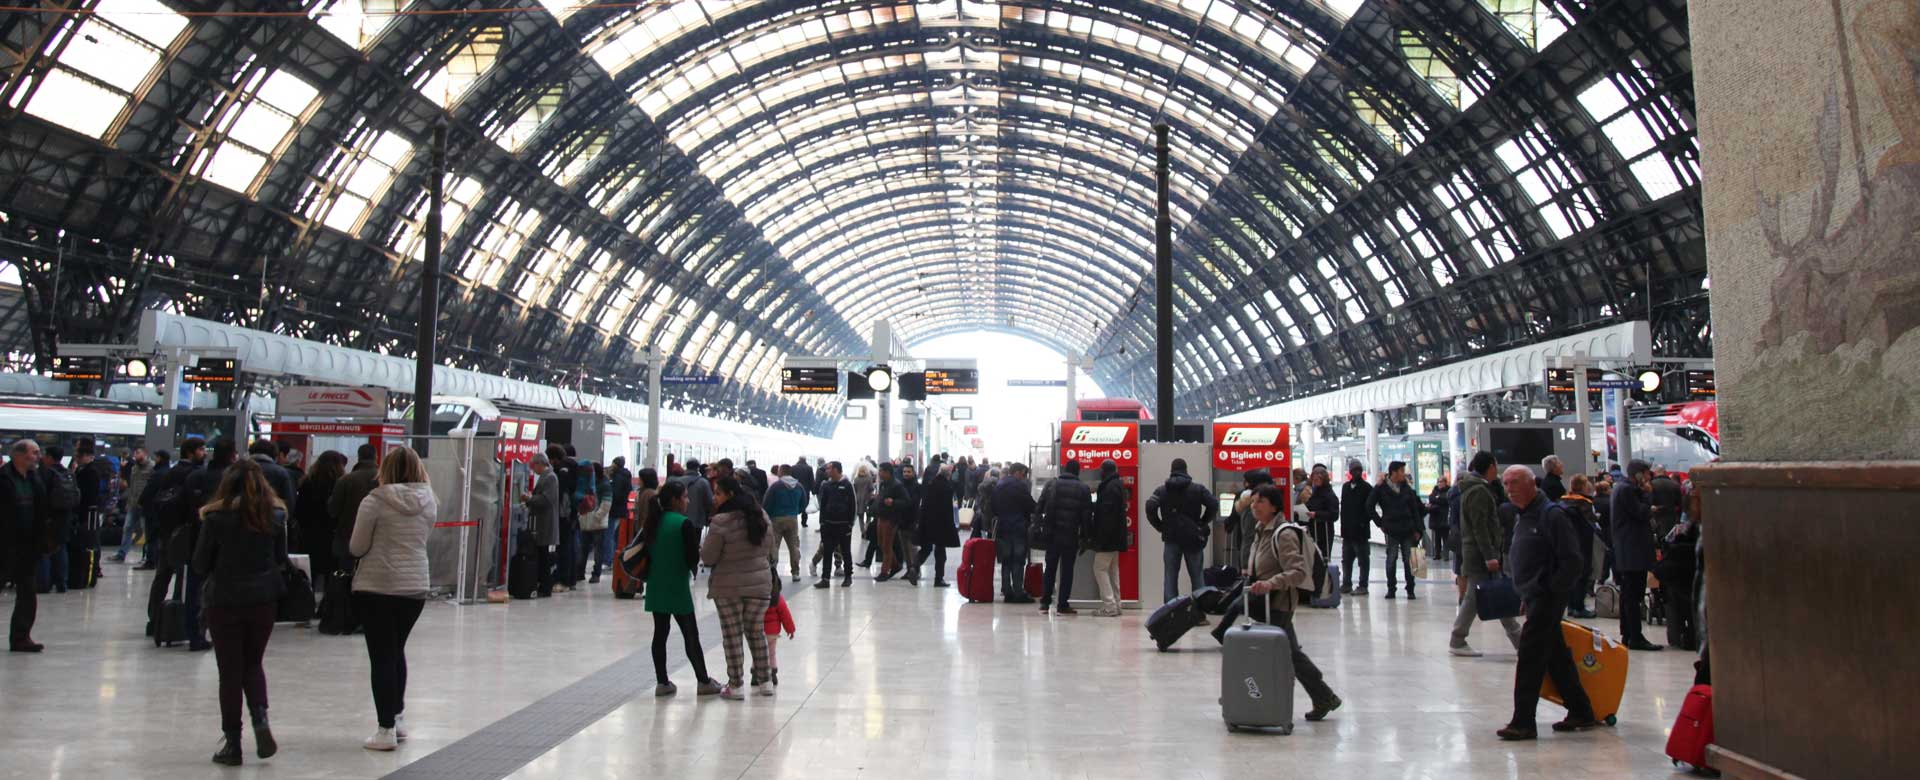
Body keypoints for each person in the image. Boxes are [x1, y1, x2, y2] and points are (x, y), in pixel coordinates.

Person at [192, 459, 291, 765]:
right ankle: (260, 718)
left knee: (229, 671)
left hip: (225, 600)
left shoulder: (215, 518)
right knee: (253, 663)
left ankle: (232, 742)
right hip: (263, 599)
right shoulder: (275, 516)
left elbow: (199, 564)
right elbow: (281, 558)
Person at [1496, 465, 1599, 741]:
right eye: (1506, 484)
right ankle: (1581, 710)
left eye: (1515, 483)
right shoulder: (1524, 515)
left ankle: (1523, 721)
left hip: (1547, 598)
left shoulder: (1551, 515)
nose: (1509, 489)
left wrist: (1550, 592)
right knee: (1555, 656)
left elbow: (1573, 560)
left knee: (1530, 658)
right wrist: (1526, 594)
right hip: (1534, 596)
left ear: (1532, 484)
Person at [1227, 484, 1343, 721]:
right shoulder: (1262, 529)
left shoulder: (1284, 533)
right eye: (1253, 502)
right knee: (1291, 653)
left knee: (1291, 654)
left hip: (1278, 604)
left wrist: (1271, 583)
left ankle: (1324, 695)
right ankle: (1323, 696)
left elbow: (1297, 572)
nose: (1254, 505)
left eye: (1259, 501)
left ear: (1273, 506)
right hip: (1266, 603)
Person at [350, 445, 436, 751]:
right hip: (414, 587)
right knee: (396, 650)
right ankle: (397, 718)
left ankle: (384, 728)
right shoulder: (429, 500)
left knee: (381, 656)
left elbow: (357, 547)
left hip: (378, 586)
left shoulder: (375, 500)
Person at [701, 474, 775, 699]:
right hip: (760, 585)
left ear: (730, 494)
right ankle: (766, 683)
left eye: (718, 493)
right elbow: (771, 548)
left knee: (732, 636)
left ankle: (736, 686)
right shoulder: (761, 515)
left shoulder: (721, 522)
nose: (714, 498)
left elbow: (709, 557)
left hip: (728, 587)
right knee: (757, 633)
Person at [643, 480, 718, 697]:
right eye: (685, 497)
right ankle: (703, 681)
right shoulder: (683, 523)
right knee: (690, 634)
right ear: (675, 500)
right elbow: (692, 559)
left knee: (660, 634)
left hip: (656, 585)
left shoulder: (653, 521)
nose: (688, 500)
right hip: (677, 585)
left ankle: (662, 682)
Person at [1449, 452, 1521, 657]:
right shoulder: (1479, 491)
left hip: (1477, 552)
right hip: (1480, 554)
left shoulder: (1473, 488)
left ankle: (1458, 638)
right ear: (1489, 467)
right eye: (1495, 466)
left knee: (1476, 597)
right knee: (1493, 595)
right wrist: (1489, 555)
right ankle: (1519, 639)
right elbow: (1480, 526)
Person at [143, 438, 205, 639]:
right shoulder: (193, 475)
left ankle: (154, 620)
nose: (204, 453)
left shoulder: (169, 472)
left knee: (162, 576)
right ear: (191, 452)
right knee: (183, 577)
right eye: (201, 449)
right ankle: (179, 621)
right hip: (185, 534)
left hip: (167, 532)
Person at [1145, 458, 1216, 603]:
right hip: (1193, 539)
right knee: (1197, 576)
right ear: (1186, 470)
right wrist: (1202, 522)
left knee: (1170, 577)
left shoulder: (1161, 490)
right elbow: (1213, 504)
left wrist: (1160, 526)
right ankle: (1199, 614)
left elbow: (1150, 507)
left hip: (1171, 538)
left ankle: (1170, 613)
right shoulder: (1198, 489)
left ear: (1172, 470)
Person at [1609, 460, 1663, 651]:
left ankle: (1628, 634)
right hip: (1633, 550)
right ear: (1639, 474)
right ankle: (1635, 636)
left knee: (1628, 595)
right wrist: (1648, 496)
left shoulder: (1620, 488)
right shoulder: (1628, 490)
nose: (1649, 478)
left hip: (1627, 549)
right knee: (1633, 595)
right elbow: (1641, 512)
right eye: (1647, 474)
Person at [3, 439, 48, 652]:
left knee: (28, 594)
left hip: (28, 547)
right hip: (5, 545)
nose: (38, 456)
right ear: (19, 455)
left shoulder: (34, 478)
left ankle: (21, 638)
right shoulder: (4, 479)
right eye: (34, 452)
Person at [1035, 460, 1091, 614]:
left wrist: (1038, 527)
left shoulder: (1051, 485)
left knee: (1050, 568)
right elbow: (1086, 516)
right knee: (1067, 571)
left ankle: (1045, 603)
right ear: (1078, 471)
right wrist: (1086, 537)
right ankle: (1062, 605)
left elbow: (1039, 507)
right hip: (1070, 536)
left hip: (1051, 535)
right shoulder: (1083, 488)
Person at [1369, 460, 1426, 600]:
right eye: (1401, 471)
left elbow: (1415, 510)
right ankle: (1391, 588)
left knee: (1409, 559)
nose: (1403, 474)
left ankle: (1410, 589)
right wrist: (1380, 523)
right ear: (1393, 472)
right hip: (1391, 529)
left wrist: (1419, 529)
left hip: (1408, 529)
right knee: (1391, 559)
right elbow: (1369, 505)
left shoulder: (1407, 489)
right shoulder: (1381, 488)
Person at [295, 452, 347, 588]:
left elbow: (299, 512)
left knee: (310, 575)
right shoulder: (338, 484)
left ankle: (308, 602)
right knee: (331, 577)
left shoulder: (306, 483)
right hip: (331, 536)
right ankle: (328, 606)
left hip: (309, 536)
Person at [1085, 460, 1129, 617]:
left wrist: (1100, 539)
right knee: (1112, 570)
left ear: (1104, 471)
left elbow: (1106, 516)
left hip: (1108, 538)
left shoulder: (1109, 487)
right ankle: (1117, 604)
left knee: (1100, 569)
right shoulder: (1117, 485)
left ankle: (1110, 606)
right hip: (1116, 537)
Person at [990, 463, 1036, 603]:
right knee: (1018, 560)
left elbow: (993, 507)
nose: (1024, 477)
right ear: (1017, 472)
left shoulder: (999, 484)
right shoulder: (1020, 486)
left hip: (1003, 527)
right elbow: (1030, 505)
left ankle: (1007, 590)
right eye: (1023, 474)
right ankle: (1018, 592)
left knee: (1006, 560)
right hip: (1018, 527)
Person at [328, 445, 380, 566]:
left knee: (346, 578)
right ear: (375, 457)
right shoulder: (385, 479)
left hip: (347, 540)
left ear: (359, 457)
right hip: (379, 541)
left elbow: (333, 510)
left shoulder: (345, 480)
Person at [1558, 475, 1601, 619]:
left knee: (1571, 575)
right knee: (1583, 575)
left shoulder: (1563, 500)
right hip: (1584, 542)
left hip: (1567, 541)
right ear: (1583, 486)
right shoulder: (1585, 503)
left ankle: (1571, 607)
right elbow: (1591, 523)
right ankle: (1579, 607)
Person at [913, 462, 960, 587]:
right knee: (940, 553)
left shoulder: (930, 485)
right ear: (948, 474)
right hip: (941, 524)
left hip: (927, 522)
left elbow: (924, 504)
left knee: (926, 548)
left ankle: (914, 566)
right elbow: (948, 510)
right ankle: (938, 579)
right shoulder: (947, 488)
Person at [523, 453, 560, 598]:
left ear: (540, 464)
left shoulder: (550, 477)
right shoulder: (548, 476)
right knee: (542, 555)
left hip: (546, 523)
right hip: (542, 522)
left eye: (534, 467)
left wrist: (530, 498)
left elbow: (545, 500)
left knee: (544, 557)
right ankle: (543, 585)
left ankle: (545, 587)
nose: (534, 470)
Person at [814, 461, 856, 588]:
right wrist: (822, 523)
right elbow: (823, 505)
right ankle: (825, 579)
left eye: (829, 469)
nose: (827, 471)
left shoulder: (847, 485)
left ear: (836, 470)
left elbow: (853, 505)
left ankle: (848, 576)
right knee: (827, 552)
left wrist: (850, 525)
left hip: (843, 525)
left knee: (845, 551)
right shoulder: (826, 485)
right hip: (828, 525)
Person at [762, 465, 806, 582]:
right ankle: (795, 573)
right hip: (792, 519)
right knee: (794, 546)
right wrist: (796, 511)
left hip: (776, 519)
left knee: (774, 545)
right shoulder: (799, 486)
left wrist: (769, 515)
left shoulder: (776, 486)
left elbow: (767, 503)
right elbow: (804, 502)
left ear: (781, 472)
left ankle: (773, 570)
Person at [112, 447, 154, 563]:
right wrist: (129, 502)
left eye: (138, 452)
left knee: (147, 530)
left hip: (145, 505)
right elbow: (132, 486)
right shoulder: (134, 468)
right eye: (135, 453)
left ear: (145, 453)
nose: (135, 455)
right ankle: (122, 553)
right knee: (127, 527)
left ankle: (147, 556)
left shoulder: (152, 467)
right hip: (133, 504)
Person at [1338, 461, 1375, 594]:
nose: (1356, 473)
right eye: (1354, 470)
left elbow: (1370, 509)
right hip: (1347, 531)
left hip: (1361, 532)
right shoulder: (1345, 487)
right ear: (1350, 472)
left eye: (1359, 470)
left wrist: (1363, 522)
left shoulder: (1367, 488)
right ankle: (1346, 583)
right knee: (1346, 560)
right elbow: (1344, 509)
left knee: (1363, 559)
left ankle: (1363, 585)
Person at [871, 463, 910, 582]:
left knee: (887, 545)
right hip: (881, 517)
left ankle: (884, 571)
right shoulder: (884, 484)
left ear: (888, 472)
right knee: (881, 544)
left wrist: (893, 502)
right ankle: (896, 566)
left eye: (881, 471)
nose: (879, 473)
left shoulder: (897, 485)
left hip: (891, 519)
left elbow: (906, 501)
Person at [579, 461, 613, 585]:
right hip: (586, 521)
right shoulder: (588, 483)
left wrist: (597, 516)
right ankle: (580, 572)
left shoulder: (604, 485)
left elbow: (606, 504)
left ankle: (596, 574)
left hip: (597, 523)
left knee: (598, 550)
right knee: (583, 549)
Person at [247, 440, 298, 507]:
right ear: (274, 454)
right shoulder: (281, 472)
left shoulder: (239, 469)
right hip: (271, 514)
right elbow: (289, 501)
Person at [763, 584, 796, 686]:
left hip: (759, 632)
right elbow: (785, 615)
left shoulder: (757, 597)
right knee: (771, 654)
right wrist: (790, 630)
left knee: (758, 654)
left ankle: (755, 676)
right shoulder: (777, 598)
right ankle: (773, 675)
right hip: (772, 633)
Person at [608, 457, 633, 572]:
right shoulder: (626, 475)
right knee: (617, 536)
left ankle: (610, 560)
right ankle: (615, 560)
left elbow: (615, 494)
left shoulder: (618, 477)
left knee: (611, 536)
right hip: (622, 509)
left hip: (615, 509)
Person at [1425, 470, 1453, 562]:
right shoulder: (1435, 490)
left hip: (1444, 518)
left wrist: (1437, 500)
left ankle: (1446, 555)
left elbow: (1445, 500)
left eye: (1441, 482)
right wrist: (1437, 500)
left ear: (1445, 482)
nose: (1439, 484)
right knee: (1437, 538)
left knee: (1445, 537)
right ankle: (1437, 554)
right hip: (1436, 518)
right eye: (1438, 482)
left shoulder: (1449, 490)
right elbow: (1431, 498)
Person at [789, 456, 815, 529]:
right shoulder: (809, 468)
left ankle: (794, 521)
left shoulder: (793, 467)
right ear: (805, 460)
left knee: (794, 505)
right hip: (805, 490)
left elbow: (790, 479)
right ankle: (804, 522)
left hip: (794, 490)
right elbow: (811, 480)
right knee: (805, 506)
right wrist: (813, 491)